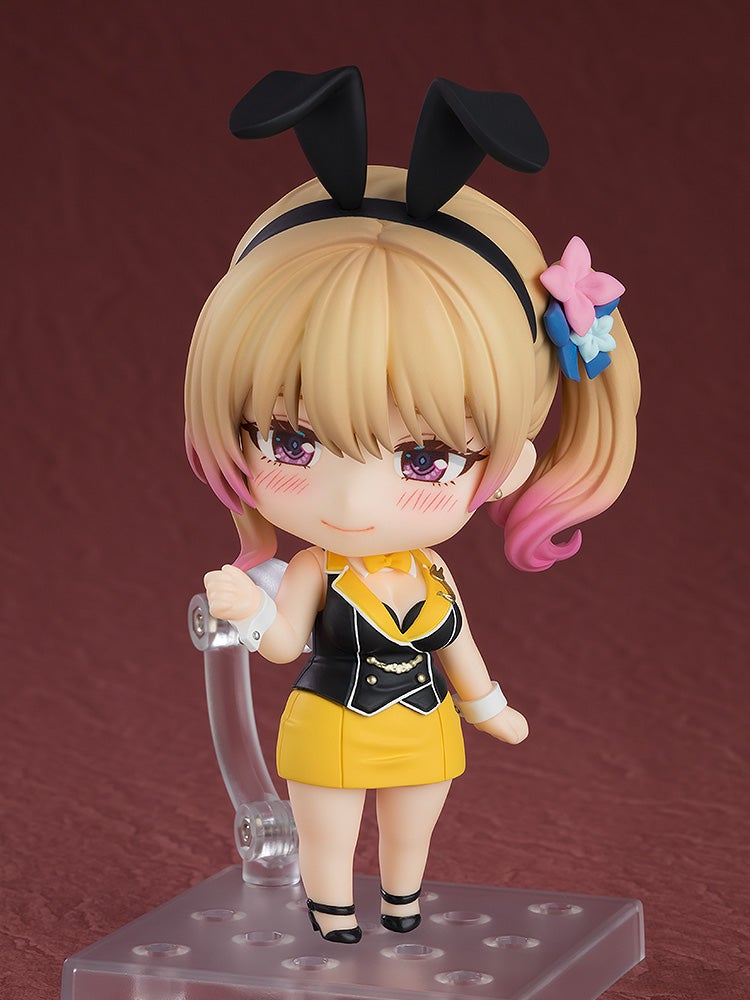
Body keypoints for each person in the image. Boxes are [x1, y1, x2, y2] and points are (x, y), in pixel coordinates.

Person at [184, 70, 640, 944]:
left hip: (425, 729)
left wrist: (489, 706)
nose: (353, 501)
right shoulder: (313, 569)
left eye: (425, 459)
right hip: (328, 728)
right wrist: (246, 610)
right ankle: (330, 913)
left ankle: (401, 905)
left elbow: (459, 648)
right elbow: (282, 646)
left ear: (506, 467)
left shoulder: (433, 574)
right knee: (328, 830)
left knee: (411, 827)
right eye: (290, 441)